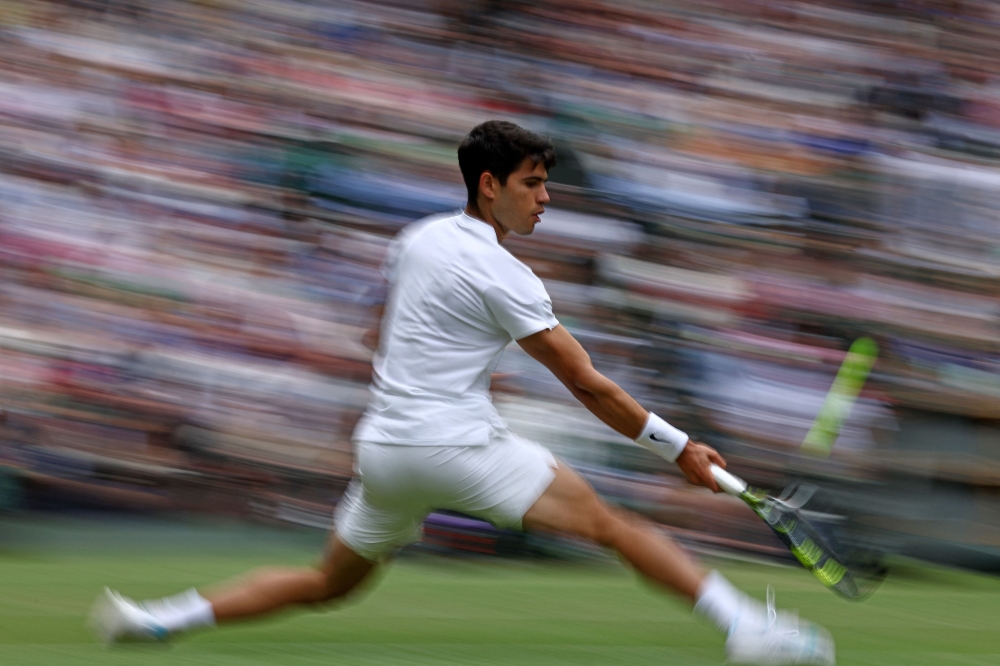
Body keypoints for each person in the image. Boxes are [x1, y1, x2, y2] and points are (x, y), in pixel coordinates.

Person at [90, 120, 835, 665]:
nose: (545, 199)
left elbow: (376, 333)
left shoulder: (416, 237)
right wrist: (678, 449)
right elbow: (585, 382)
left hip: (385, 449)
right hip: (452, 445)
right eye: (533, 184)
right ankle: (751, 632)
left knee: (328, 583)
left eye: (547, 184)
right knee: (617, 526)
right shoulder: (506, 274)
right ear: (490, 185)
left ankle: (157, 619)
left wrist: (450, 357)